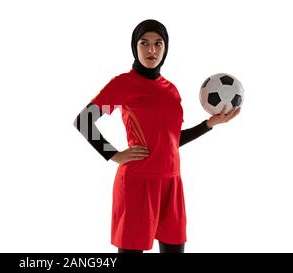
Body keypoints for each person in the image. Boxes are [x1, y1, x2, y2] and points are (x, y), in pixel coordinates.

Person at [73, 19, 240, 253]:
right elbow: (83, 120)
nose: (152, 50)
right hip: (137, 183)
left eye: (158, 43)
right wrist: (113, 154)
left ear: (166, 48)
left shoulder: (171, 89)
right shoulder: (123, 83)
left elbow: (172, 140)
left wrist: (209, 124)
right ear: (135, 46)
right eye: (144, 43)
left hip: (171, 183)